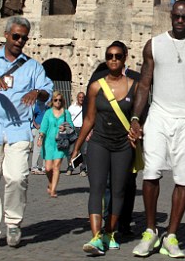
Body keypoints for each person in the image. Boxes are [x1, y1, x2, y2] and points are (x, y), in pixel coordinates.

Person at [129, 0, 185, 258]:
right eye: (177, 16)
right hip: (158, 113)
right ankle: (150, 231)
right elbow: (144, 84)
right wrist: (136, 117)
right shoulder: (153, 44)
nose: (180, 21)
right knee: (151, 173)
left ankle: (172, 235)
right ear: (171, 15)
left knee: (183, 176)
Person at [0, 16, 53, 250]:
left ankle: (13, 222)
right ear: (6, 35)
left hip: (18, 129)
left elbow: (48, 91)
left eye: (24, 37)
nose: (20, 41)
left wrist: (37, 92)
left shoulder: (33, 66)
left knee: (17, 177)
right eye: (16, 36)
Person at [69, 41, 137, 255]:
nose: (113, 60)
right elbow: (89, 119)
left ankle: (110, 232)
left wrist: (138, 130)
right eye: (109, 56)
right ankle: (97, 236)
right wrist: (77, 147)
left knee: (118, 191)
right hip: (99, 142)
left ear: (125, 57)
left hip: (123, 145)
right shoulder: (96, 86)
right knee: (96, 188)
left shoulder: (135, 86)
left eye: (117, 56)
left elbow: (139, 117)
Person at [37, 91, 72, 198]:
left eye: (60, 100)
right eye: (55, 100)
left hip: (61, 142)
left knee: (56, 166)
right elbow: (44, 126)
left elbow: (71, 126)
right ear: (52, 101)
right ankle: (51, 182)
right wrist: (40, 137)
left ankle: (53, 190)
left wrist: (65, 127)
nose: (58, 102)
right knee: (48, 168)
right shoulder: (48, 113)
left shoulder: (66, 113)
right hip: (48, 142)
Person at [66, 91, 86, 175]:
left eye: (82, 97)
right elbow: (67, 119)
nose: (81, 99)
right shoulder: (71, 108)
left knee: (84, 151)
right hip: (73, 130)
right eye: (80, 97)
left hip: (83, 130)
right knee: (71, 150)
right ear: (77, 98)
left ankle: (83, 169)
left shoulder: (87, 107)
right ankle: (70, 168)